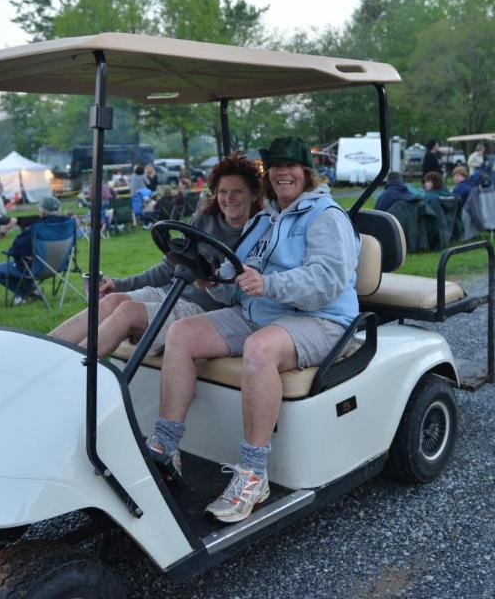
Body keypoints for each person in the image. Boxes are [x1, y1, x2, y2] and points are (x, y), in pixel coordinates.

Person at [149, 136, 359, 524]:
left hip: (323, 319)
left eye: (291, 167)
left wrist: (270, 285)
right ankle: (166, 445)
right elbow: (239, 270)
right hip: (264, 313)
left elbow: (329, 280)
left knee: (260, 349)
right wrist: (216, 280)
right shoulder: (265, 220)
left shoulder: (326, 216)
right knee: (182, 334)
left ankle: (253, 474)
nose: (283, 174)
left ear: (306, 173)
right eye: (275, 168)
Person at [50, 153, 262, 356]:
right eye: (223, 191)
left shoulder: (262, 232)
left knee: (128, 312)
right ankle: (40, 351)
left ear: (253, 194)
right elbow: (170, 266)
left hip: (203, 310)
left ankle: (74, 372)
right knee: (111, 301)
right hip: (169, 292)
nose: (228, 198)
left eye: (238, 191)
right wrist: (120, 284)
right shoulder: (206, 219)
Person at [0, 197, 75, 305]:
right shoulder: (69, 225)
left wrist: (11, 253)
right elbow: (73, 247)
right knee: (28, 261)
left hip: (38, 269)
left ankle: (26, 291)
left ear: (42, 212)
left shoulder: (38, 228)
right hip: (60, 266)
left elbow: (16, 249)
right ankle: (32, 289)